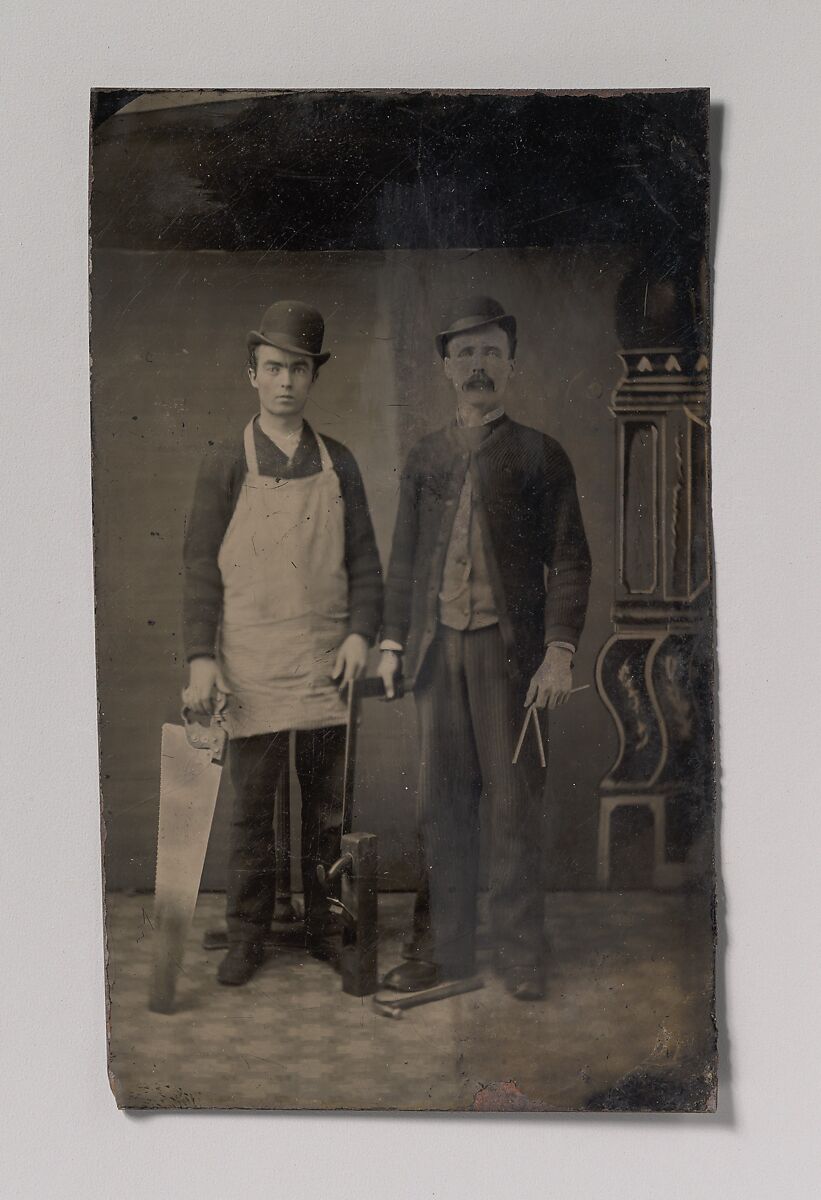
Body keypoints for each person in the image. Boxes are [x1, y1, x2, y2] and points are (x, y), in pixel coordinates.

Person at [378, 295, 591, 1001]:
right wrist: (388, 641)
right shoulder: (425, 456)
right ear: (444, 366)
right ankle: (444, 951)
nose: (478, 367)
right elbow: (403, 560)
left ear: (511, 364)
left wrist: (558, 650)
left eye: (491, 352)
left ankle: (521, 952)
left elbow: (568, 559)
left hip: (510, 663)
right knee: (439, 807)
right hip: (439, 657)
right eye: (464, 353)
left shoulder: (539, 454)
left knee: (513, 807)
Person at [183, 300, 382, 986]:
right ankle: (248, 934)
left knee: (327, 812)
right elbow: (199, 567)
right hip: (252, 664)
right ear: (253, 375)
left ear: (312, 377)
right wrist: (201, 657)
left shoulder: (341, 464)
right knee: (251, 812)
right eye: (273, 368)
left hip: (329, 664)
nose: (286, 382)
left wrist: (360, 634)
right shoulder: (224, 464)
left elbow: (365, 563)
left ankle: (327, 930)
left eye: (298, 369)